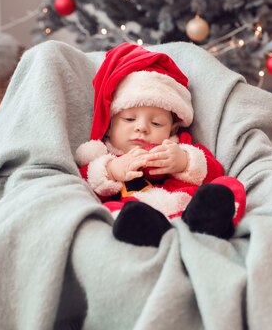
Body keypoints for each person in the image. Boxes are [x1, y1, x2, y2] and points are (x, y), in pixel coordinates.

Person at [75, 43, 246, 247]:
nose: (142, 128)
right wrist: (111, 171)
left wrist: (184, 162)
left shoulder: (179, 146)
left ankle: (205, 225)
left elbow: (214, 170)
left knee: (228, 186)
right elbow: (84, 181)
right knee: (110, 211)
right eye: (129, 119)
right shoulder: (104, 154)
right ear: (110, 126)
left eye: (156, 123)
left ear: (172, 129)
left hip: (185, 208)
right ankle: (146, 234)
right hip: (138, 213)